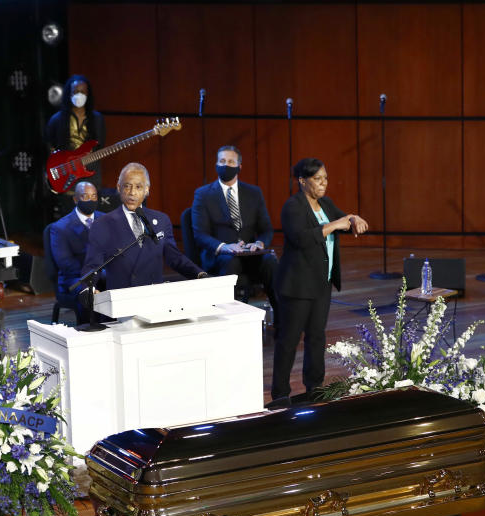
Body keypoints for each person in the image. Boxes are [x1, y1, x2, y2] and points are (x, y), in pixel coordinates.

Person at [270, 158, 369, 406]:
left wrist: (354, 218)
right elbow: (301, 238)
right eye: (317, 179)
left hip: (321, 283)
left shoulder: (325, 203)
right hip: (297, 285)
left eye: (325, 178)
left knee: (317, 337)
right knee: (289, 340)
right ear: (302, 181)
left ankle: (315, 388)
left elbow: (342, 220)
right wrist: (334, 224)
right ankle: (280, 394)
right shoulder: (292, 206)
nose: (323, 183)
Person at [81, 163, 207, 291]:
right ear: (119, 188)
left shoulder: (161, 220)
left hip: (153, 296)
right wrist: (88, 289)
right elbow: (92, 265)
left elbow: (174, 257)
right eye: (127, 186)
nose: (132, 193)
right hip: (122, 298)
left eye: (138, 187)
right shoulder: (102, 224)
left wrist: (198, 274)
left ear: (147, 190)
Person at [191, 145, 279, 319]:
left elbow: (266, 229)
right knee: (232, 263)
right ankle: (230, 319)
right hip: (220, 256)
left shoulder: (254, 192)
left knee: (270, 261)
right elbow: (200, 234)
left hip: (250, 255)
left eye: (231, 162)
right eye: (222, 161)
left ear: (239, 166)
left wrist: (259, 243)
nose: (225, 165)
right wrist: (225, 247)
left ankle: (282, 317)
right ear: (216, 164)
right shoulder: (203, 194)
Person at [45, 74, 106, 217]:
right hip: (67, 176)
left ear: (88, 94)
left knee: (92, 218)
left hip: (91, 174)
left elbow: (100, 145)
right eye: (76, 91)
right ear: (68, 93)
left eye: (83, 92)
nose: (79, 95)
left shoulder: (97, 119)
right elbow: (49, 146)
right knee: (70, 217)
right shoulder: (57, 119)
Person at [49, 181, 102, 324]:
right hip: (75, 278)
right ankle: (89, 334)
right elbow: (66, 263)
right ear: (75, 199)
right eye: (85, 196)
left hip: (104, 274)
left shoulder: (106, 220)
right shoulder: (60, 227)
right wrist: (91, 279)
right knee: (88, 297)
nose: (90, 200)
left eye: (94, 196)